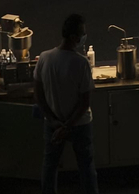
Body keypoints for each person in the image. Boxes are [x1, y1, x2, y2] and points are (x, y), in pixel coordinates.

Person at [34, 13, 99, 194]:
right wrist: (67, 125)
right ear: (74, 37)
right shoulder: (81, 63)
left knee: (50, 166)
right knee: (86, 167)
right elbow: (85, 101)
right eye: (82, 34)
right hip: (80, 125)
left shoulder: (44, 58)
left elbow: (39, 96)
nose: (84, 37)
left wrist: (54, 122)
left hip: (52, 124)